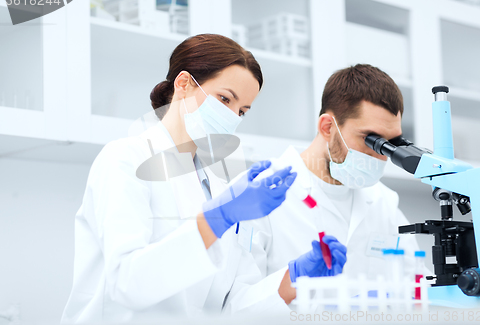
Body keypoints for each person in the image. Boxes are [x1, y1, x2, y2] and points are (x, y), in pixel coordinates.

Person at [61, 34, 346, 323]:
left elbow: (229, 307)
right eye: (225, 99)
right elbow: (127, 283)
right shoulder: (124, 159)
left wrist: (293, 279)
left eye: (242, 111)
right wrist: (218, 217)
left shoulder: (222, 184)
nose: (233, 117)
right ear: (183, 84)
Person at [233, 64, 425, 305]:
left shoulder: (383, 202)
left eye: (390, 144)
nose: (381, 156)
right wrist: (292, 281)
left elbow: (418, 287)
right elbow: (234, 306)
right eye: (371, 140)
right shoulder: (259, 192)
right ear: (327, 127)